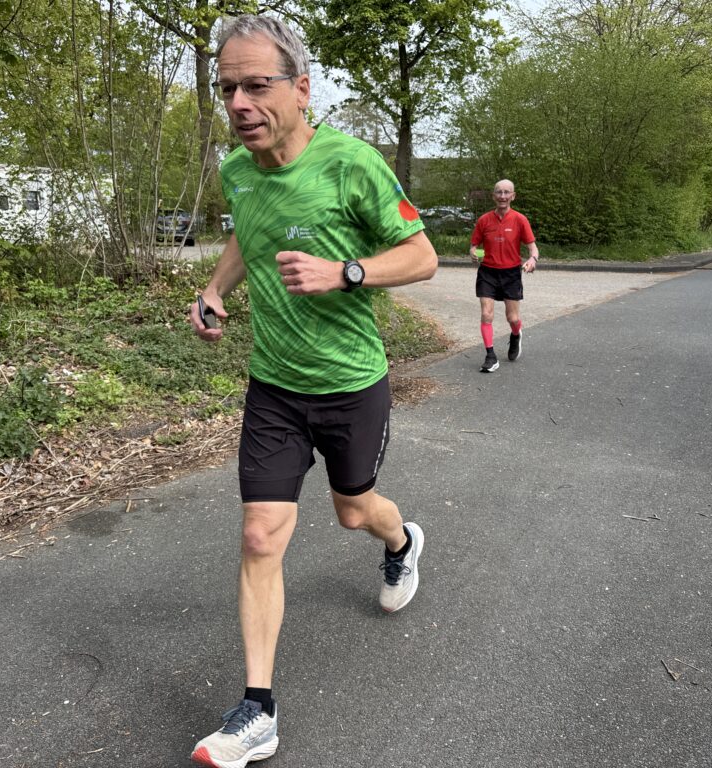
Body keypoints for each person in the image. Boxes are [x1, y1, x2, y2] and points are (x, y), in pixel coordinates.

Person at [186, 14, 438, 768]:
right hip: (274, 386)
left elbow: (422, 255)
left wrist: (347, 271)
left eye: (256, 85)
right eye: (227, 89)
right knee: (260, 536)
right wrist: (216, 288)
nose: (239, 103)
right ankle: (257, 711)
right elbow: (248, 232)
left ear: (300, 89)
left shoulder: (351, 164)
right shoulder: (238, 171)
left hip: (351, 384)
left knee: (353, 509)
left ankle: (401, 541)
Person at [468, 179, 539, 372]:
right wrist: (473, 253)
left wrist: (532, 260)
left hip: (511, 274)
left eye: (507, 192)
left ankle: (516, 335)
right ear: (493, 196)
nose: (503, 196)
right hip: (488, 272)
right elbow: (473, 246)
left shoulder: (520, 220)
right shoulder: (484, 220)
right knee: (486, 314)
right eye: (499, 192)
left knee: (512, 318)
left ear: (513, 196)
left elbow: (533, 248)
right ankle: (490, 356)